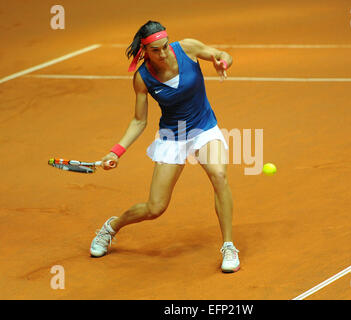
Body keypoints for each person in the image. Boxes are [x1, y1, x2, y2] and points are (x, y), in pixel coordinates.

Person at [90, 20, 240, 273]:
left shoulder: (188, 48)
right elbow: (139, 121)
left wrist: (221, 62)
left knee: (219, 175)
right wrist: (116, 151)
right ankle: (111, 227)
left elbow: (223, 54)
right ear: (145, 52)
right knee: (155, 208)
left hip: (204, 128)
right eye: (156, 50)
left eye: (165, 47)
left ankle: (228, 246)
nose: (163, 53)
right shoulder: (143, 78)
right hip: (173, 137)